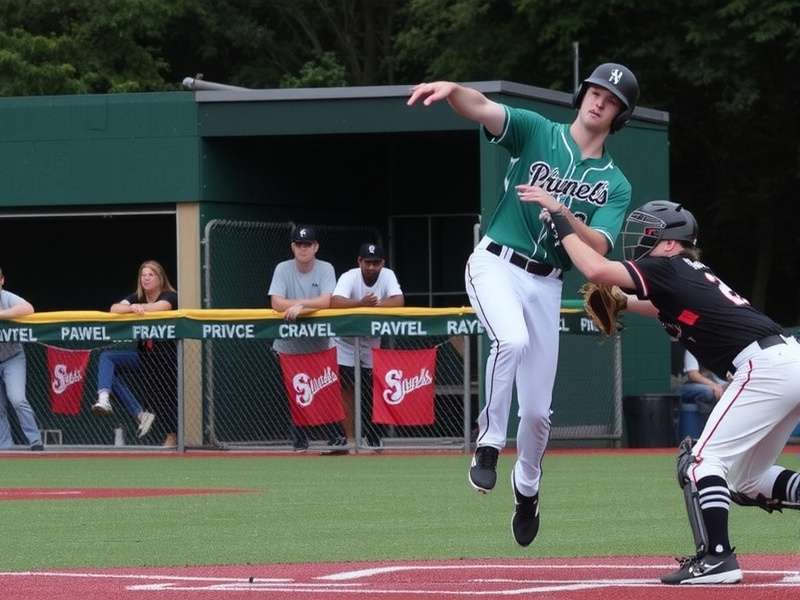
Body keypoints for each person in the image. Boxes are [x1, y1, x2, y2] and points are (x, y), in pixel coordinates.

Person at [407, 63, 639, 546]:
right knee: (508, 341)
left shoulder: (615, 183)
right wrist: (453, 90)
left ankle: (528, 488)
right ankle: (488, 445)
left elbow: (598, 244)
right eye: (595, 91)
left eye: (611, 99)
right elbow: (484, 110)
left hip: (546, 283)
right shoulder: (539, 132)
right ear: (581, 95)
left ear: (620, 114)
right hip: (495, 261)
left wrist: (562, 211)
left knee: (536, 413)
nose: (599, 101)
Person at [537, 197, 800, 584]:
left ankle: (717, 559)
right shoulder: (681, 272)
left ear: (672, 242)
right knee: (746, 479)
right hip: (784, 361)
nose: (641, 239)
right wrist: (620, 301)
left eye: (650, 232)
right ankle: (716, 557)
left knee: (700, 463)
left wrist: (560, 221)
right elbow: (650, 304)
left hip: (764, 368)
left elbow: (595, 268)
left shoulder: (666, 265)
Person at [269, 224, 338, 452]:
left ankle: (333, 437)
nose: (303, 248)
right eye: (299, 244)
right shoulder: (283, 268)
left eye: (307, 244)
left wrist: (302, 306)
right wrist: (301, 305)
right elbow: (276, 303)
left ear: (316, 246)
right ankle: (299, 439)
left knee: (324, 390)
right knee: (296, 393)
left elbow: (326, 301)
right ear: (293, 247)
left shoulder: (326, 267)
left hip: (319, 343)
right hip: (290, 345)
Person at [331, 242, 404, 451]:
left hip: (371, 340)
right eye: (367, 262)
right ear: (359, 261)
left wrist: (374, 305)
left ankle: (373, 436)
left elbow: (399, 301)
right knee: (346, 389)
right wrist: (361, 304)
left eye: (376, 262)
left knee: (374, 388)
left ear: (382, 262)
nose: (371, 267)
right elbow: (335, 302)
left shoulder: (387, 275)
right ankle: (352, 439)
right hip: (345, 340)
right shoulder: (349, 276)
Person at [100, 260, 178, 447]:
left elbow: (163, 307)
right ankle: (118, 405)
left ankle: (172, 436)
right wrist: (132, 307)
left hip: (165, 356)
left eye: (151, 275)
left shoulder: (170, 295)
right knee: (107, 358)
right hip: (143, 356)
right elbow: (114, 308)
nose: (146, 278)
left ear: (160, 278)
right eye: (143, 275)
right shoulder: (138, 297)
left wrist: (139, 309)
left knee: (162, 396)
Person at [0, 267, 43, 451]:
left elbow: (29, 308)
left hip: (12, 357)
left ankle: (35, 441)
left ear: (2, 280)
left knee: (17, 398)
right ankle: (4, 447)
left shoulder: (6, 297)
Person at [679, 349, 727, 426]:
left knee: (730, 389)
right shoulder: (692, 349)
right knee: (707, 391)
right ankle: (707, 424)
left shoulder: (716, 350)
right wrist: (714, 386)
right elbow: (693, 375)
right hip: (689, 387)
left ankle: (722, 424)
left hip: (714, 384)